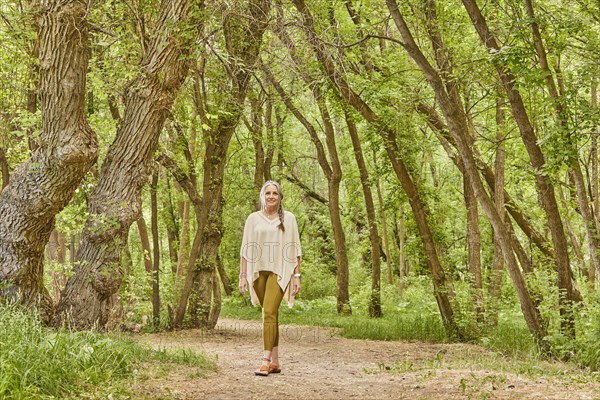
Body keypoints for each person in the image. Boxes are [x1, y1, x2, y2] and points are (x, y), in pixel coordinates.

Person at [239, 180, 302, 376]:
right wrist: (243, 274)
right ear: (262, 196)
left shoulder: (289, 218)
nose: (271, 196)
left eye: (275, 193)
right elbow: (245, 249)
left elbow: (296, 248)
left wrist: (297, 275)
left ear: (280, 197)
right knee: (271, 313)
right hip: (258, 271)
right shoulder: (253, 219)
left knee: (268, 312)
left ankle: (265, 361)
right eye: (268, 193)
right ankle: (275, 361)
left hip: (279, 271)